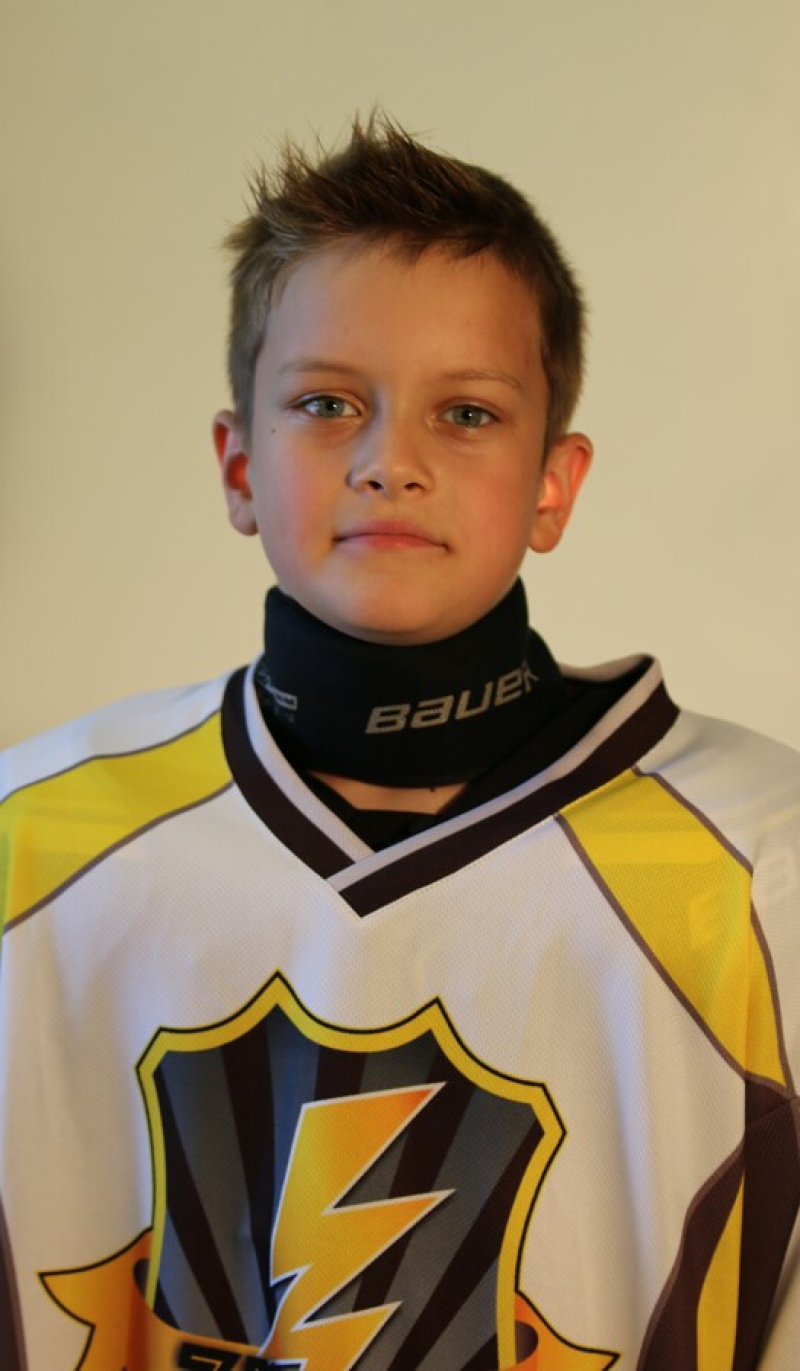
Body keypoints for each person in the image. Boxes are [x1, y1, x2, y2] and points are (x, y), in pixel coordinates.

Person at [1, 113, 798, 1370]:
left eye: (466, 413)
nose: (390, 461)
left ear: (554, 483)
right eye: (326, 403)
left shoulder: (764, 869)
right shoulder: (30, 850)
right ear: (237, 466)